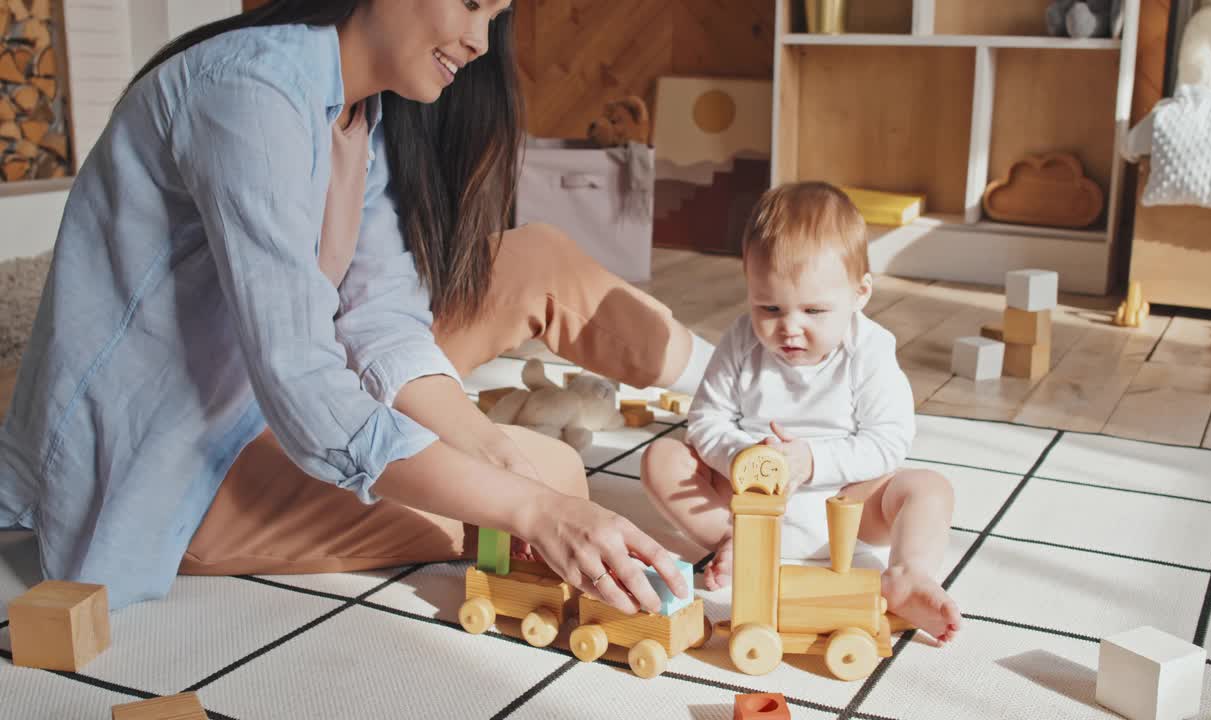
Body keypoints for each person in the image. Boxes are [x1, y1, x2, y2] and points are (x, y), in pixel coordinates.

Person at [0, 0, 717, 614]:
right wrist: (528, 503)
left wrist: (488, 449)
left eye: (494, 17)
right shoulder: (249, 92)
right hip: (176, 470)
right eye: (470, 3)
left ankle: (737, 399)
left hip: (258, 407)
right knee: (550, 485)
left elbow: (379, 323)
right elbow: (306, 386)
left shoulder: (357, 116)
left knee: (528, 395)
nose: (479, 40)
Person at [641, 182, 961, 642]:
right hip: (745, 498)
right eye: (768, 307)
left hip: (847, 500)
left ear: (860, 294)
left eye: (814, 310)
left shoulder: (870, 351)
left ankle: (908, 575)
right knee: (661, 459)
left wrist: (811, 460)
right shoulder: (740, 342)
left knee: (930, 489)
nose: (789, 328)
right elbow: (706, 420)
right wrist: (743, 458)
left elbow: (887, 441)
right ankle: (731, 540)